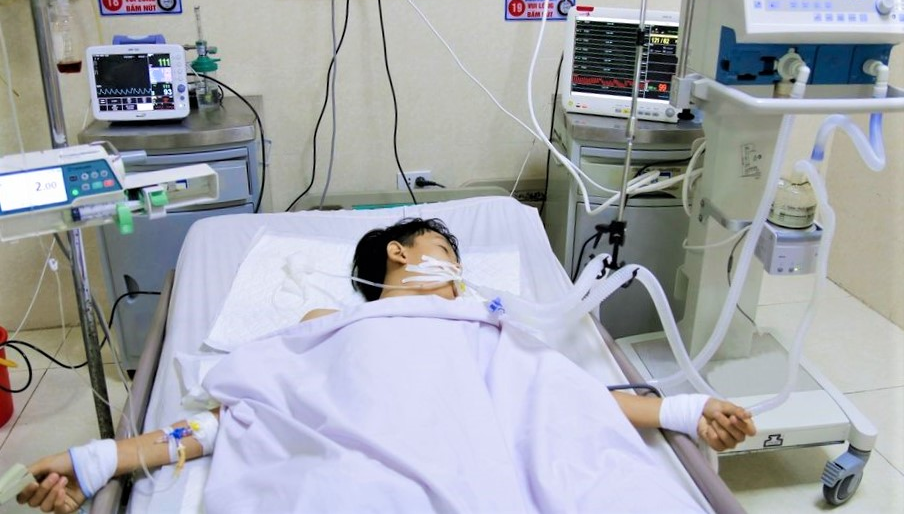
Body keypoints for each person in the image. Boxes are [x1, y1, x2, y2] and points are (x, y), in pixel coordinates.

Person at [18, 218, 756, 513]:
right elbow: (241, 416)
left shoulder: (484, 322)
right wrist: (99, 460)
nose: (458, 265)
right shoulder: (329, 322)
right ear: (399, 252)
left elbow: (562, 395)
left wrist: (687, 410)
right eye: (446, 248)